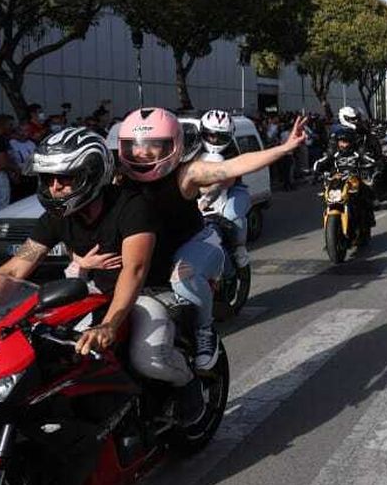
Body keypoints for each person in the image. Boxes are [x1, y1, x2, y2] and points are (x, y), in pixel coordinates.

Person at [0, 128, 210, 425]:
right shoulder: (56, 218)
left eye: (66, 178)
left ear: (91, 174)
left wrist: (110, 324)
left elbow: (134, 270)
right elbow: (17, 266)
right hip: (91, 294)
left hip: (142, 295)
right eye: (48, 179)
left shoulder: (133, 207)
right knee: (46, 357)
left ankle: (188, 382)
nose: (55, 187)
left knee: (148, 359)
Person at [115, 107, 305, 372]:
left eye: (154, 145)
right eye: (134, 145)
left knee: (183, 276)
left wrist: (284, 149)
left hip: (192, 243)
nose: (142, 152)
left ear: (173, 145)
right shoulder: (117, 176)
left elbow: (232, 166)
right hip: (149, 250)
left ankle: (205, 331)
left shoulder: (187, 173)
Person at [195, 109, 252, 269]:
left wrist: (206, 199)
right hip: (199, 194)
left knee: (232, 214)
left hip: (232, 189)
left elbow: (226, 181)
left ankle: (239, 248)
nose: (215, 139)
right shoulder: (194, 149)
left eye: (221, 136)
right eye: (211, 134)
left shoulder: (231, 152)